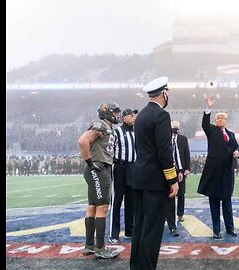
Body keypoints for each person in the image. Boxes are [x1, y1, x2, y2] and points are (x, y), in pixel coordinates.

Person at [130, 76, 179, 270]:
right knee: (152, 230)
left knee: (140, 228)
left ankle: (136, 266)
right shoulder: (161, 116)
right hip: (155, 181)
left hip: (139, 178)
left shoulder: (141, 114)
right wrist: (172, 179)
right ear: (164, 93)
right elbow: (164, 152)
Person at [77, 101, 121, 259]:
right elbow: (83, 141)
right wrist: (90, 163)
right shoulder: (100, 124)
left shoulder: (106, 126)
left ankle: (89, 246)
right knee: (102, 207)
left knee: (93, 207)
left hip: (98, 168)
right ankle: (100, 248)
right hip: (99, 168)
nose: (117, 115)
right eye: (115, 112)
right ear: (106, 111)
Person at [197, 95, 239, 239]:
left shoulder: (231, 134)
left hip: (227, 173)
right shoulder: (211, 130)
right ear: (215, 121)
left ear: (226, 121)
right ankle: (216, 230)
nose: (220, 120)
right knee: (214, 202)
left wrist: (237, 151)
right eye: (217, 118)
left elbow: (237, 146)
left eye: (222, 118)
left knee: (227, 202)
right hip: (214, 173)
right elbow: (204, 123)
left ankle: (230, 228)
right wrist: (208, 108)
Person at [108, 108, 138, 244]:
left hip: (133, 168)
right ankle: (114, 234)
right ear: (124, 117)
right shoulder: (117, 131)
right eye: (132, 116)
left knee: (131, 201)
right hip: (120, 167)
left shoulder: (136, 132)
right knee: (117, 201)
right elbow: (109, 150)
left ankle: (129, 231)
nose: (134, 118)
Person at [165, 120, 191, 236]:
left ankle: (179, 215)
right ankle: (168, 219)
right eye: (173, 127)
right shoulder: (166, 139)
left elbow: (185, 154)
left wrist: (184, 169)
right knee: (170, 195)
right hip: (167, 170)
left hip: (179, 170)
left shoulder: (183, 139)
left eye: (177, 127)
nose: (175, 129)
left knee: (180, 193)